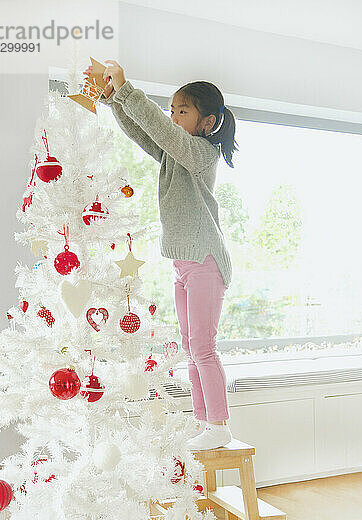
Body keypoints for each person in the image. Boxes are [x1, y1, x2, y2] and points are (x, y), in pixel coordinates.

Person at [83, 60, 240, 450]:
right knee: (191, 347)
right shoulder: (175, 153)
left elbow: (158, 127)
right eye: (171, 110)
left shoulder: (201, 153)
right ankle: (205, 422)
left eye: (181, 111)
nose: (171, 117)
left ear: (208, 122)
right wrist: (113, 98)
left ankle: (220, 425)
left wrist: (126, 87)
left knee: (203, 347)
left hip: (204, 259)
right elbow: (143, 131)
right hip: (184, 264)